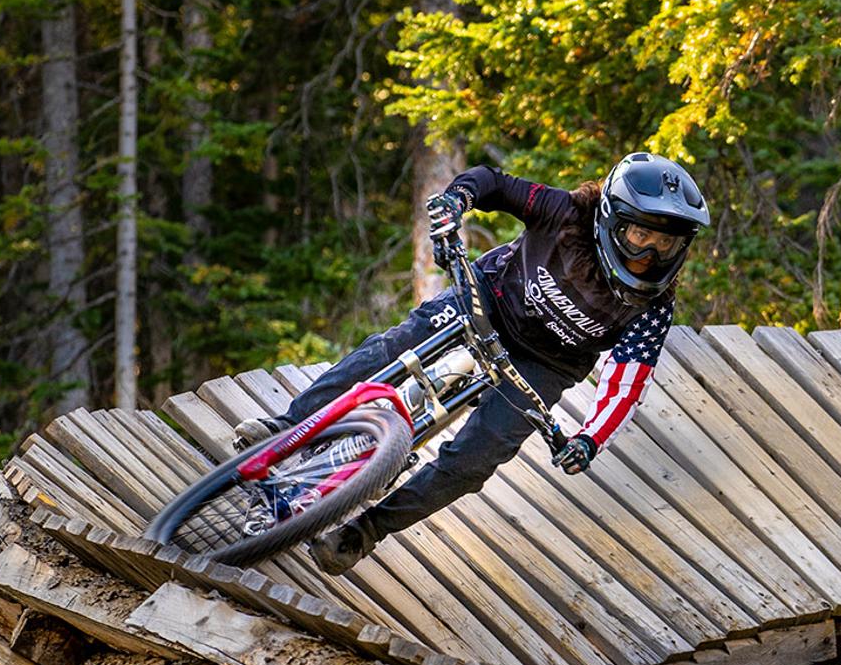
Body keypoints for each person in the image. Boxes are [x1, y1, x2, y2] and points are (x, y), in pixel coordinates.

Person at [234, 152, 711, 575]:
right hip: (490, 299)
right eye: (640, 234)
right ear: (611, 219)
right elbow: (494, 183)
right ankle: (287, 426)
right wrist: (453, 205)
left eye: (665, 244)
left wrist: (589, 440)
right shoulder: (564, 213)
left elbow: (628, 382)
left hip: (545, 364)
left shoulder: (655, 305)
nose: (650, 253)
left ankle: (363, 533)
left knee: (475, 462)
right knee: (394, 346)